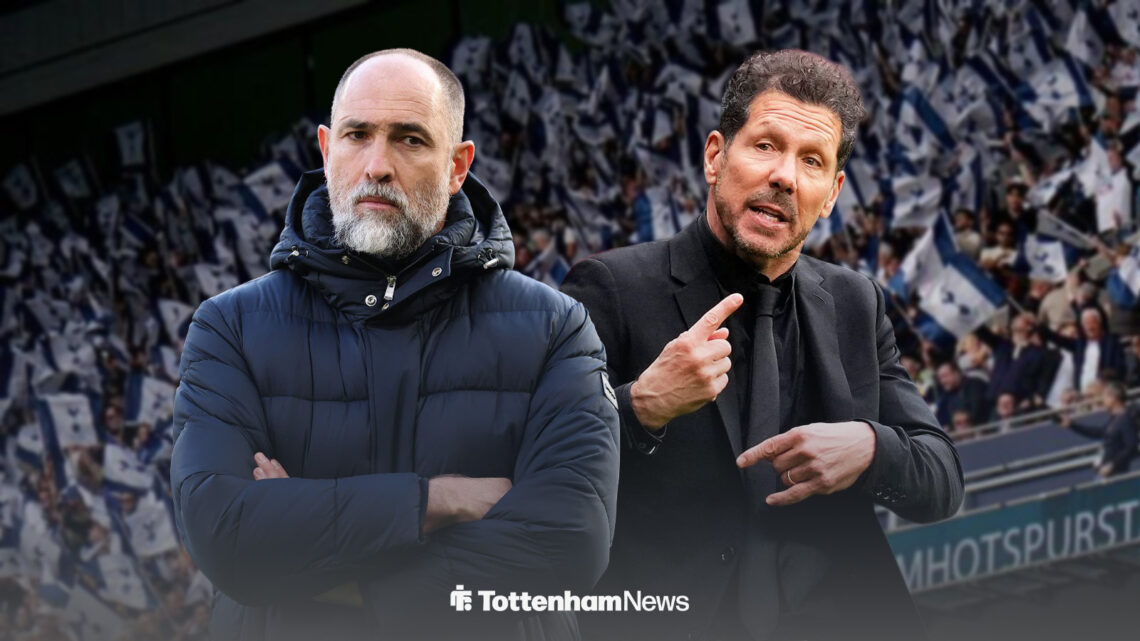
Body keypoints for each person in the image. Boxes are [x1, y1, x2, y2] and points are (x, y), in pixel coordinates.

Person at [169, 49, 619, 641]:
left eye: (409, 139)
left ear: (458, 167)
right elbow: (227, 538)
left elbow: (569, 544)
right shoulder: (229, 328)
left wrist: (335, 574)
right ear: (328, 152)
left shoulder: (554, 328)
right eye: (358, 135)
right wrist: (438, 502)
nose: (377, 164)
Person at [561, 50, 963, 641]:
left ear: (831, 193)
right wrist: (640, 407)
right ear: (716, 156)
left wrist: (871, 447)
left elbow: (943, 478)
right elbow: (540, 467)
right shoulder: (612, 288)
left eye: (812, 161)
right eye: (766, 146)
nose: (785, 176)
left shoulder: (856, 302)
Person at [1060, 381, 1140, 478]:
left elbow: (1131, 446)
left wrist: (1113, 464)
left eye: (1105, 397)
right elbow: (1097, 432)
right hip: (1107, 471)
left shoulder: (1125, 420)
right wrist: (1072, 425)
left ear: (1113, 398)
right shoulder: (1114, 420)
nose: (1103, 400)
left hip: (1116, 473)